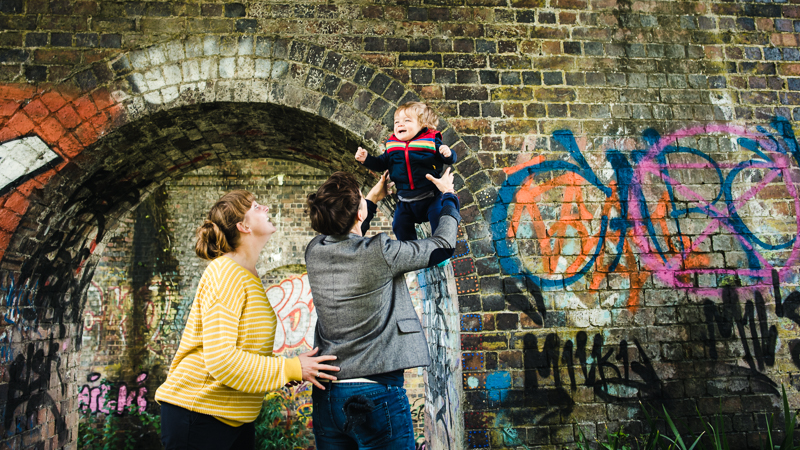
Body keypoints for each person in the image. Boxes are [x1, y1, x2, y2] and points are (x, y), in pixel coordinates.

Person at [155, 190, 340, 450]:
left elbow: (242, 350)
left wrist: (286, 371)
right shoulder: (225, 272)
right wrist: (290, 367)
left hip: (233, 418)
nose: (265, 208)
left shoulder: (246, 274)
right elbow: (221, 360)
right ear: (243, 226)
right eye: (255, 206)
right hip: (199, 414)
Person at [304, 168, 461, 449]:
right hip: (375, 395)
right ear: (359, 214)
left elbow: (347, 238)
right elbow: (443, 246)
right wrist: (449, 196)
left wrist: (371, 199)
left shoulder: (315, 250)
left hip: (328, 397)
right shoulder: (381, 252)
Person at [355, 101, 457, 241]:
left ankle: (440, 247)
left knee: (438, 220)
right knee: (399, 225)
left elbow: (447, 159)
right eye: (396, 122)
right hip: (405, 200)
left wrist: (448, 154)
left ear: (423, 124)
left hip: (430, 196)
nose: (400, 124)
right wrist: (366, 159)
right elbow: (381, 163)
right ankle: (409, 249)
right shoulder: (392, 145)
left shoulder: (431, 141)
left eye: (406, 121)